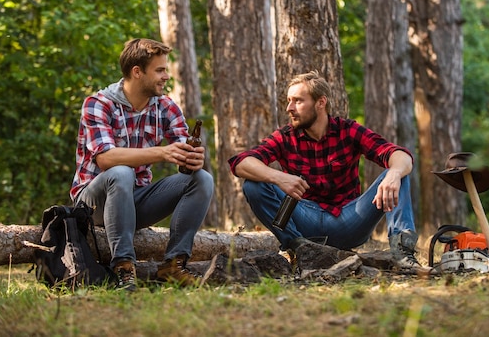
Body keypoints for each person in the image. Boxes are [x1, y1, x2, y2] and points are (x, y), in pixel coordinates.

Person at [228, 70, 423, 270]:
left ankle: (403, 255)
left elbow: (400, 155)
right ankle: (299, 249)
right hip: (305, 221)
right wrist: (279, 178)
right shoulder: (285, 137)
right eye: (288, 101)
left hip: (349, 220)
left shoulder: (348, 130)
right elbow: (241, 163)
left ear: (320, 103)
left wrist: (394, 173)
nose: (289, 108)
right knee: (254, 185)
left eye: (297, 101)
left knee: (398, 174)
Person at [70, 38, 214, 290]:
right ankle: (123, 268)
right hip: (91, 204)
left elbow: (182, 149)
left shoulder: (165, 107)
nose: (166, 76)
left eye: (165, 70)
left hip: (134, 202)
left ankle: (173, 265)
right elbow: (106, 159)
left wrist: (191, 158)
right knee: (121, 172)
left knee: (202, 179)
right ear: (137, 72)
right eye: (160, 70)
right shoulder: (98, 104)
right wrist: (162, 153)